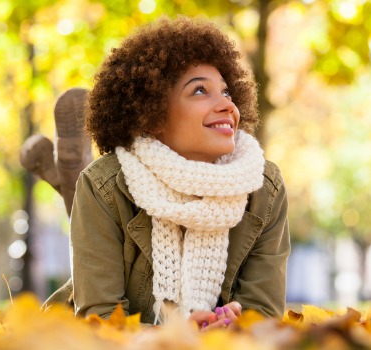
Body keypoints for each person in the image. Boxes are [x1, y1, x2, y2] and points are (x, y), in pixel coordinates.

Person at [44, 16, 290, 330]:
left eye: (227, 93)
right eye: (200, 91)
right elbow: (102, 320)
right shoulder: (103, 185)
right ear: (152, 115)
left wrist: (233, 333)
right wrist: (177, 336)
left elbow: (263, 316)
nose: (227, 105)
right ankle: (69, 160)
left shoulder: (263, 187)